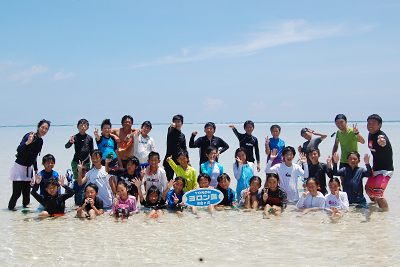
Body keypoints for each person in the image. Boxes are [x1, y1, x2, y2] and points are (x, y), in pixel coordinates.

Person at [8, 119, 50, 210]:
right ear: (38, 127)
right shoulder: (29, 136)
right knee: (17, 193)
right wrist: (28, 142)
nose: (44, 130)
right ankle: (10, 211)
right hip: (19, 167)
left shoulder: (40, 141)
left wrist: (36, 170)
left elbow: (34, 156)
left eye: (46, 129)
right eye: (42, 127)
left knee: (27, 194)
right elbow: (19, 149)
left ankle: (25, 217)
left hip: (29, 168)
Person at [365, 114, 393, 211]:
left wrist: (382, 143)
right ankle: (376, 207)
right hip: (375, 168)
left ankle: (384, 215)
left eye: (374, 124)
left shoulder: (381, 136)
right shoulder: (370, 134)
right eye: (369, 123)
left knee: (378, 193)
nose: (370, 125)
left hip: (385, 170)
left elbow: (382, 141)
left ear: (379, 125)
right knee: (368, 190)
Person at [65, 118, 94, 207]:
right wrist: (70, 142)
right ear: (77, 126)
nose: (83, 127)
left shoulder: (89, 138)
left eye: (85, 125)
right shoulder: (75, 137)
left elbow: (92, 151)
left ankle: (86, 200)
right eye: (81, 125)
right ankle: (77, 201)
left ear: (88, 127)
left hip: (87, 163)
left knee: (86, 181)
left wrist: (93, 164)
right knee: (78, 182)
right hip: (76, 162)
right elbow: (66, 146)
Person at [163, 115, 187, 181]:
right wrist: (171, 127)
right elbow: (169, 132)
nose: (177, 124)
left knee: (180, 180)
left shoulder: (182, 135)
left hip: (179, 161)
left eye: (178, 122)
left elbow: (184, 148)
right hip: (169, 159)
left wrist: (187, 160)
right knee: (169, 180)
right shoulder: (171, 132)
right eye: (175, 122)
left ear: (182, 123)